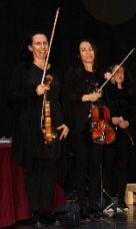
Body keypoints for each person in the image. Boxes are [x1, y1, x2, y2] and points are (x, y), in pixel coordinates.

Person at [8, 32, 70, 227]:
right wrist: (34, 92)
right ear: (30, 47)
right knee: (34, 169)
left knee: (50, 169)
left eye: (45, 43)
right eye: (38, 43)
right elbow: (11, 96)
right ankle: (35, 210)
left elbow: (60, 100)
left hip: (52, 125)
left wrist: (65, 122)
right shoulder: (23, 70)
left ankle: (47, 210)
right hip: (30, 127)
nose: (43, 46)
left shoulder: (54, 71)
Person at [63, 39, 106, 220]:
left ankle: (94, 205)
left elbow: (107, 101)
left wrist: (103, 95)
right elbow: (67, 97)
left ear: (94, 52)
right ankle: (82, 207)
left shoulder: (100, 75)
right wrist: (88, 96)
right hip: (80, 126)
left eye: (90, 49)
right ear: (78, 55)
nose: (87, 52)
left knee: (95, 165)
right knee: (82, 165)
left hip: (98, 125)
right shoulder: (74, 73)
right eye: (83, 50)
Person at [101, 64, 134, 213]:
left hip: (124, 132)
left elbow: (135, 113)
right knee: (108, 166)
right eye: (116, 72)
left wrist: (128, 121)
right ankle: (107, 201)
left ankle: (121, 199)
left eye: (122, 72)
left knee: (123, 166)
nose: (119, 74)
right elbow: (102, 109)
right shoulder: (107, 90)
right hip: (109, 131)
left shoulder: (129, 92)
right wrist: (111, 118)